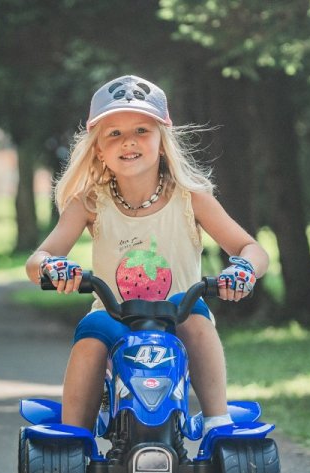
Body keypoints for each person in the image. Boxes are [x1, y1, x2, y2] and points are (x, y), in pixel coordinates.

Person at [25, 75, 269, 435]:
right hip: (113, 313)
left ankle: (218, 420)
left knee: (198, 322)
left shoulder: (191, 198)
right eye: (114, 134)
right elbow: (37, 260)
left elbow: (252, 248)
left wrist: (245, 269)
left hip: (178, 311)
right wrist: (53, 266)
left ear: (162, 141)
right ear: (99, 150)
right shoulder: (91, 202)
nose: (129, 141)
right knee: (90, 338)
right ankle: (73, 437)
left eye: (142, 130)